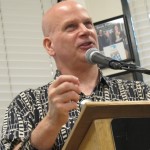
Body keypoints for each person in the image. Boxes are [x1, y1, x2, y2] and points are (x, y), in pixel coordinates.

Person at [1, 1, 150, 150]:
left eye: (88, 24)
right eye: (71, 27)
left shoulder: (140, 93)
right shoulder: (25, 104)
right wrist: (51, 122)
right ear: (49, 45)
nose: (86, 31)